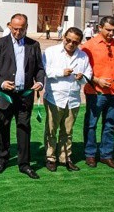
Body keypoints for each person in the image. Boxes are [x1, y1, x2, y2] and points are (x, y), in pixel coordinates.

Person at [0, 13, 45, 179]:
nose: (18, 32)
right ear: (9, 26)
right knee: (2, 128)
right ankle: (2, 159)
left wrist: (40, 82)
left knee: (24, 129)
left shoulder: (34, 45)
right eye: (15, 29)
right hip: (4, 95)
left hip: (24, 96)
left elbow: (40, 69)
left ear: (26, 28)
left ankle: (24, 164)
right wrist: (1, 83)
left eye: (21, 29)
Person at [81, 16, 114, 170]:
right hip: (96, 93)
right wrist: (97, 80)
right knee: (91, 124)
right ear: (100, 28)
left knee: (110, 125)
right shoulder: (88, 46)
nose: (111, 33)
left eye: (113, 30)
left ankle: (106, 155)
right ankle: (90, 154)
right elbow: (82, 70)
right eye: (108, 30)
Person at [42, 27, 92, 172]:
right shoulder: (51, 52)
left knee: (68, 131)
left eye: (75, 42)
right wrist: (61, 73)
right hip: (55, 97)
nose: (71, 44)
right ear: (64, 37)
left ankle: (65, 158)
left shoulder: (83, 56)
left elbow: (89, 73)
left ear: (79, 43)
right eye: (68, 40)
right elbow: (45, 71)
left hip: (73, 99)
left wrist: (82, 77)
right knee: (51, 129)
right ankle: (50, 157)